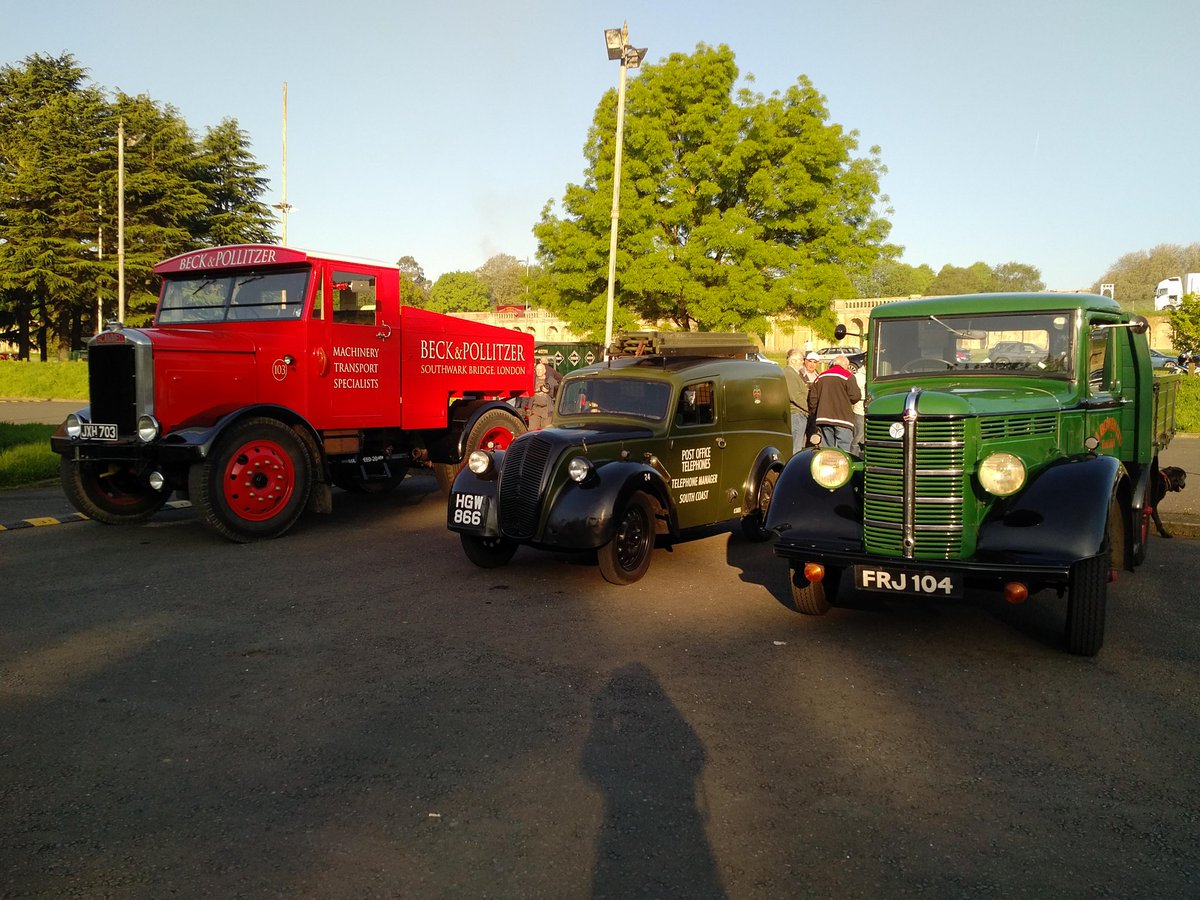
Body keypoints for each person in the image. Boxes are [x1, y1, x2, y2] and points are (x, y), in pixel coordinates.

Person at [808, 354, 861, 453]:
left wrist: (816, 412)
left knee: (827, 449)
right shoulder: (848, 376)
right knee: (844, 450)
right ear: (845, 364)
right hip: (843, 419)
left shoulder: (821, 376)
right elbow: (856, 396)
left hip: (823, 418)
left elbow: (813, 399)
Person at [782, 349, 808, 453]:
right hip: (796, 414)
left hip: (798, 414)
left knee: (797, 446)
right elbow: (794, 396)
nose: (803, 362)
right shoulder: (789, 373)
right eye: (801, 359)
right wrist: (809, 408)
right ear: (793, 361)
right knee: (795, 448)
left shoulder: (793, 373)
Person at [527, 354, 561, 429]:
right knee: (532, 431)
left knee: (546, 431)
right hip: (535, 410)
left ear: (544, 371)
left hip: (547, 410)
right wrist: (528, 408)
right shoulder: (532, 380)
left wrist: (548, 391)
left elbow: (557, 392)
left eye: (540, 370)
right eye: (537, 370)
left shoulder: (551, 380)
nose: (538, 371)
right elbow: (528, 394)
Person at [850, 360, 867, 455]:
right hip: (859, 410)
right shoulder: (857, 377)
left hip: (867, 409)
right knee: (858, 435)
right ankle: (854, 455)